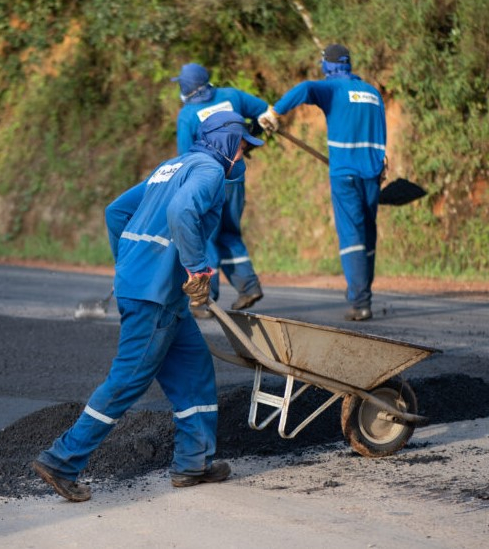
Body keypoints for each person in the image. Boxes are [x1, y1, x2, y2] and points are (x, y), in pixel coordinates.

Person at [31, 111, 264, 502]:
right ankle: (62, 460)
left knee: (194, 372)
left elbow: (116, 212)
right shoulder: (208, 172)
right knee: (128, 380)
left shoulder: (172, 166)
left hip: (157, 292)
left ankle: (194, 463)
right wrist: (196, 270)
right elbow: (181, 213)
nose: (244, 156)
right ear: (226, 141)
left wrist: (128, 261)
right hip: (155, 295)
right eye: (242, 146)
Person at [259, 44, 387, 321]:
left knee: (351, 234)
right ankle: (362, 295)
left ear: (328, 66)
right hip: (373, 173)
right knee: (368, 232)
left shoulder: (333, 89)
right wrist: (381, 163)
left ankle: (360, 302)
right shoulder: (373, 93)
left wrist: (274, 112)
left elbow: (305, 88)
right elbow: (380, 135)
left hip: (345, 173)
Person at [172, 63, 271, 316]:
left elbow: (187, 156)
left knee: (206, 236)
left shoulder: (188, 114)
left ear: (185, 87)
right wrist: (248, 144)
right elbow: (265, 113)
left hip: (208, 182)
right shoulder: (231, 96)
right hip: (235, 177)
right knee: (229, 231)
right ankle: (248, 286)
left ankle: (206, 300)